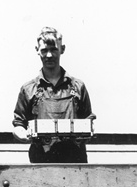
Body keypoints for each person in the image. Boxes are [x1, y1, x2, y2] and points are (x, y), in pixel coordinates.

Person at [12, 27, 94, 163]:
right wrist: (24, 134)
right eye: (44, 50)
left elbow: (88, 120)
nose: (49, 55)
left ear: (62, 49)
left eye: (54, 49)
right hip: (41, 161)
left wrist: (88, 131)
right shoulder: (28, 89)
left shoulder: (78, 87)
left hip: (75, 161)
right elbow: (18, 124)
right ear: (37, 50)